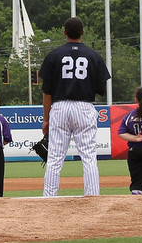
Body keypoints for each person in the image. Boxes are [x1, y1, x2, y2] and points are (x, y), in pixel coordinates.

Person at [40, 16, 110, 197]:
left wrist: (46, 119)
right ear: (83, 32)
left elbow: (47, 92)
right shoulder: (94, 56)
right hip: (84, 106)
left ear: (64, 32)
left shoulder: (54, 55)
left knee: (55, 157)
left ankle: (49, 198)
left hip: (60, 106)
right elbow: (101, 88)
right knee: (89, 156)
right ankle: (93, 196)